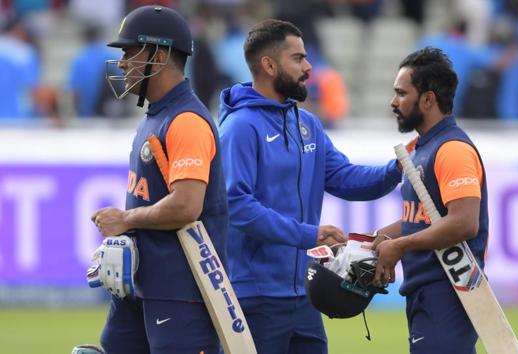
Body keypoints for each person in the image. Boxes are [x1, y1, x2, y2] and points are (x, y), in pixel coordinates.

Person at [218, 19, 402, 354]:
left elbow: (345, 178)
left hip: (304, 297)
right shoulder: (240, 128)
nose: (309, 67)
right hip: (256, 297)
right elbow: (237, 206)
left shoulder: (307, 124)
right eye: (298, 58)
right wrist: (308, 235)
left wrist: (398, 168)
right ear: (269, 65)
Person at [90, 6, 228, 353]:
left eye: (129, 52)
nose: (122, 63)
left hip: (180, 292)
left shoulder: (185, 120)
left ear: (159, 54)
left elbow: (186, 205)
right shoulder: (156, 117)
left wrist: (125, 220)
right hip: (142, 287)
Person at [371, 47, 488, 353]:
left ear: (428, 99)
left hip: (448, 293)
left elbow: (463, 223)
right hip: (427, 291)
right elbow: (423, 218)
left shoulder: (452, 149)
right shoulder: (420, 148)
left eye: (401, 93)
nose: (393, 102)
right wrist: (381, 237)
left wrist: (399, 246)